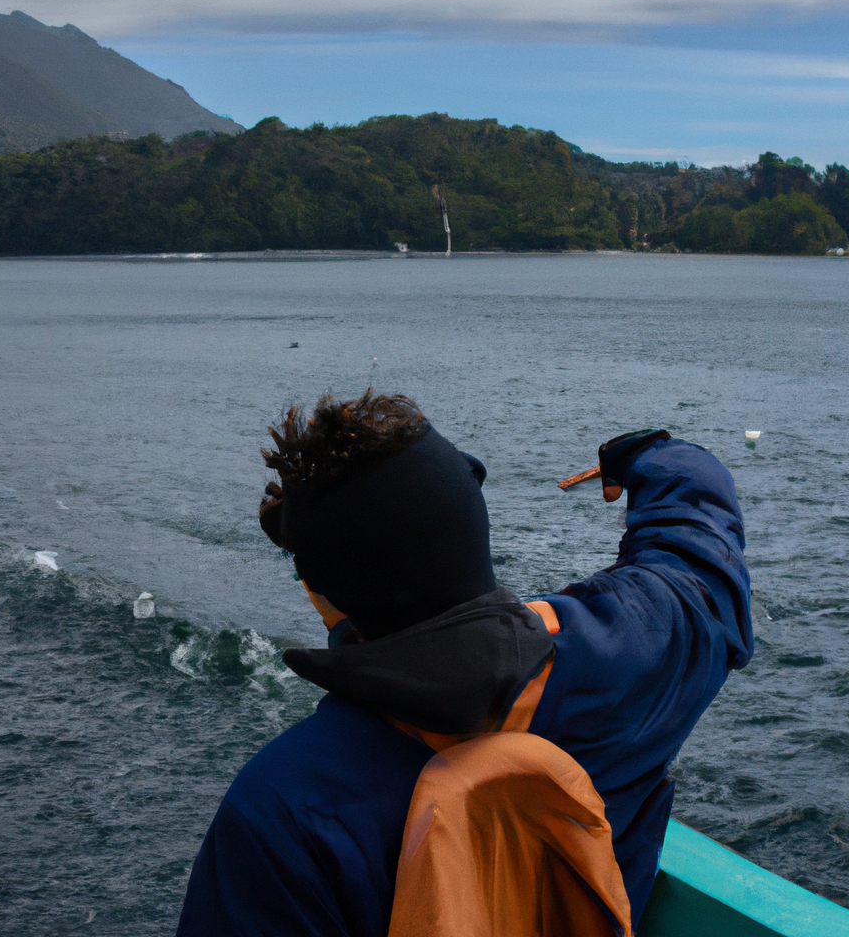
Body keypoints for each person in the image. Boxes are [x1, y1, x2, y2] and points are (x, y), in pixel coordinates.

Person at [176, 390, 753, 937]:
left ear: (318, 588)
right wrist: (651, 453)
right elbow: (697, 558)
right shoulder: (628, 658)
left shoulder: (282, 808)